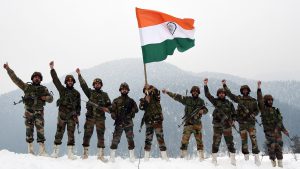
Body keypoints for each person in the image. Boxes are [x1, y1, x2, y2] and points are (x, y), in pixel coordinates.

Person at [3, 62, 53, 156]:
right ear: (32, 78)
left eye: (38, 77)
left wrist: (45, 98)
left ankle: (42, 151)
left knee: (40, 131)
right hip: (29, 112)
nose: (37, 78)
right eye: (35, 77)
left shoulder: (43, 89)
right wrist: (8, 69)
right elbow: (16, 79)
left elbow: (51, 99)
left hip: (39, 113)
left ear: (40, 79)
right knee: (29, 131)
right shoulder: (27, 87)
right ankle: (30, 150)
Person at [162, 86, 208, 161]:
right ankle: (183, 157)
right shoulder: (187, 99)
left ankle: (201, 158)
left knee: (199, 141)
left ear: (198, 92)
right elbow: (177, 97)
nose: (195, 92)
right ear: (191, 92)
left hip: (197, 124)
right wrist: (167, 92)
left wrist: (202, 111)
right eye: (193, 91)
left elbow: (206, 110)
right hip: (188, 124)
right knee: (184, 141)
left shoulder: (201, 101)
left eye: (196, 91)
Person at [76, 68, 111, 161]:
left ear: (101, 85)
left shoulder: (105, 95)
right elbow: (83, 86)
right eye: (95, 84)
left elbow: (110, 107)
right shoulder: (90, 93)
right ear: (94, 85)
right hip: (90, 118)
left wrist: (106, 109)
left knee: (101, 136)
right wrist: (79, 75)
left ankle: (100, 155)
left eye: (99, 84)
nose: (97, 85)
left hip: (100, 119)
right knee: (87, 135)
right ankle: (85, 154)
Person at [222, 80, 261, 165]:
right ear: (242, 91)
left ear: (248, 91)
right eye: (243, 90)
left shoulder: (253, 100)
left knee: (254, 140)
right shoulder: (239, 99)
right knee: (244, 141)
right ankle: (246, 159)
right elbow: (230, 95)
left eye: (246, 90)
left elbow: (257, 110)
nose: (245, 91)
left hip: (251, 123)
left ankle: (257, 158)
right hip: (242, 123)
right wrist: (224, 85)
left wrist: (253, 114)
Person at [49, 61, 81, 160]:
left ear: (73, 82)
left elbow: (79, 106)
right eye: (68, 80)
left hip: (72, 116)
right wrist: (52, 69)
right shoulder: (62, 90)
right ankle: (55, 152)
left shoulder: (76, 93)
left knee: (71, 134)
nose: (70, 82)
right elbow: (56, 80)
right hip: (62, 115)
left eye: (71, 80)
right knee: (59, 132)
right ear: (66, 82)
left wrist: (77, 115)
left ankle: (70, 153)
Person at [204, 78, 237, 166]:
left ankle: (233, 160)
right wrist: (205, 85)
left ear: (225, 94)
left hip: (227, 125)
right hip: (217, 125)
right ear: (218, 94)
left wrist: (233, 120)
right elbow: (207, 95)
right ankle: (214, 160)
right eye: (220, 93)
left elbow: (234, 113)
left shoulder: (229, 103)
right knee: (216, 142)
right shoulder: (215, 101)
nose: (222, 94)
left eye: (223, 93)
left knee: (230, 142)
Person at [257, 81, 289, 168]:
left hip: (278, 132)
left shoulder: (276, 110)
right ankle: (273, 161)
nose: (270, 101)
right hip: (269, 132)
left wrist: (284, 130)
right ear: (265, 101)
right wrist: (259, 88)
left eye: (271, 100)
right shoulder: (263, 109)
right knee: (272, 147)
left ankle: (280, 162)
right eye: (268, 100)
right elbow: (259, 99)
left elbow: (280, 122)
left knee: (279, 147)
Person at [109, 83, 138, 162]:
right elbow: (112, 110)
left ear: (128, 90)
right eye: (123, 89)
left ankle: (132, 157)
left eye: (125, 89)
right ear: (120, 90)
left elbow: (136, 109)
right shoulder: (116, 100)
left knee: (130, 139)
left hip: (128, 122)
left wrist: (132, 111)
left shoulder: (131, 101)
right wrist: (114, 116)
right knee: (115, 139)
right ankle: (112, 157)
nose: (124, 90)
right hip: (119, 122)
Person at [139, 84, 168, 161]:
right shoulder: (143, 99)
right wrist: (146, 101)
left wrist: (151, 88)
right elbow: (141, 107)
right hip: (148, 121)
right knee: (148, 139)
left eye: (147, 90)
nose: (146, 91)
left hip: (157, 120)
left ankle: (164, 157)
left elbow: (157, 91)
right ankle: (146, 157)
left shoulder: (156, 97)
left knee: (160, 138)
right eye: (145, 90)